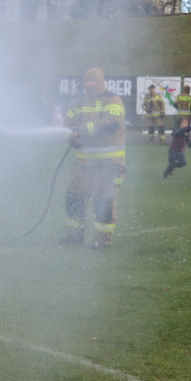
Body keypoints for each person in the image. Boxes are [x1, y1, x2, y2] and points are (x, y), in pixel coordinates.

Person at [59, 67, 126, 250]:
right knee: (74, 198)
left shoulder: (112, 100)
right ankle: (73, 235)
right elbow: (68, 125)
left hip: (109, 163)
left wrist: (81, 130)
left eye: (93, 80)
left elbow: (110, 123)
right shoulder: (79, 102)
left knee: (103, 201)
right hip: (83, 162)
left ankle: (102, 240)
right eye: (86, 80)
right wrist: (72, 138)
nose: (89, 84)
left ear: (101, 82)